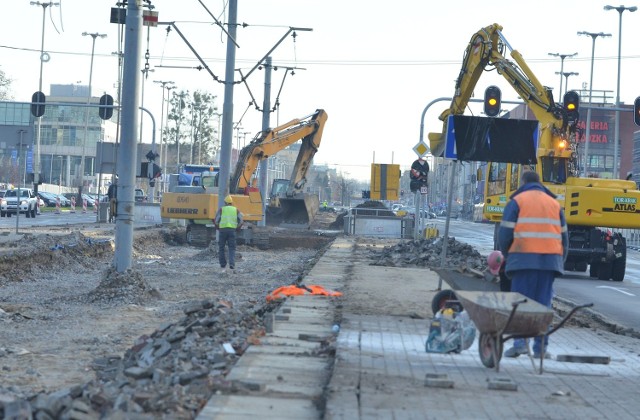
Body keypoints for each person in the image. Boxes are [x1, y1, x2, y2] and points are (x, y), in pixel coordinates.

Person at [498, 170, 568, 359]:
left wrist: (507, 256)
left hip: (523, 260)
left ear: (523, 182)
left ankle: (520, 344)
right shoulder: (555, 204)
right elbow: (564, 238)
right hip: (549, 262)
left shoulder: (517, 201)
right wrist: (560, 261)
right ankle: (540, 349)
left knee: (521, 303)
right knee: (543, 305)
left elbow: (504, 235)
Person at [214, 195, 244, 272]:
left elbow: (216, 221)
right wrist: (237, 228)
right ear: (231, 203)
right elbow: (241, 221)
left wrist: (218, 228)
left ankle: (223, 264)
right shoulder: (236, 210)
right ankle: (232, 264)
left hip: (223, 231)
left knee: (221, 248)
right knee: (232, 248)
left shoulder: (221, 210)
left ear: (225, 202)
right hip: (232, 231)